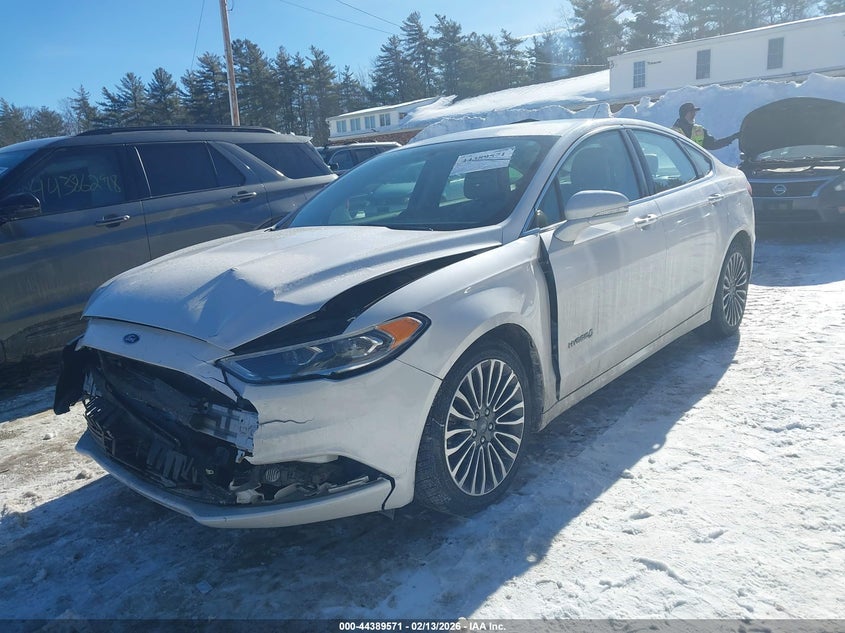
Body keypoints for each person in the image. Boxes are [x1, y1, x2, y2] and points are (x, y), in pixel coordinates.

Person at [672, 102, 739, 150]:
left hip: (698, 167)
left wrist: (731, 138)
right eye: (691, 112)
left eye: (694, 112)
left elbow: (712, 145)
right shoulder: (674, 132)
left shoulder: (699, 130)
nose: (694, 114)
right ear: (684, 114)